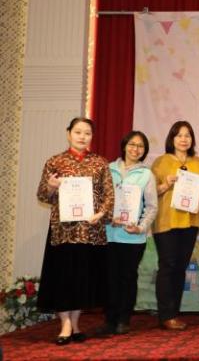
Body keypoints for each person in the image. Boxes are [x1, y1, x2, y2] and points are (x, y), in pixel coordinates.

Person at [36, 117, 115, 345]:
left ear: (92, 136)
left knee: (82, 280)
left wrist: (101, 213)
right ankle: (65, 325)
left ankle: (76, 323)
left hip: (90, 232)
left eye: (87, 133)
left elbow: (109, 195)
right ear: (68, 133)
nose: (82, 136)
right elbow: (42, 195)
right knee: (63, 279)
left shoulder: (100, 163)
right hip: (63, 231)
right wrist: (51, 186)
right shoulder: (55, 162)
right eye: (78, 132)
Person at [96, 130, 158, 336]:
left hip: (133, 237)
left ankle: (124, 319)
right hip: (108, 234)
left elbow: (152, 207)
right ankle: (109, 320)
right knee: (109, 278)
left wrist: (140, 227)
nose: (135, 149)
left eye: (140, 146)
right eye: (132, 144)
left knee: (128, 278)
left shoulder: (146, 174)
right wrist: (107, 217)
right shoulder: (108, 169)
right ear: (124, 146)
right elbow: (99, 200)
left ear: (144, 151)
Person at [151, 120, 199, 330]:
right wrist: (165, 185)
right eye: (179, 135)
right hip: (166, 222)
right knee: (167, 266)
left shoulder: (198, 162)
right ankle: (165, 315)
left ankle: (174, 313)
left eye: (188, 135)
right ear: (172, 139)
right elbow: (150, 192)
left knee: (180, 268)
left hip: (190, 222)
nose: (184, 139)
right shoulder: (160, 162)